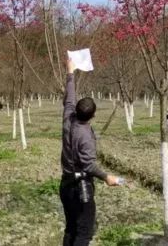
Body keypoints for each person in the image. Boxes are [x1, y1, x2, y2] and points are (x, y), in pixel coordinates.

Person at [60, 58, 120, 246]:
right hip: (80, 187)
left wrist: (70, 73)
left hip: (66, 183)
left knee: (71, 227)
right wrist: (106, 177)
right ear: (93, 116)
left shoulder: (68, 117)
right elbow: (88, 165)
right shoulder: (85, 136)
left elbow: (69, 96)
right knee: (84, 232)